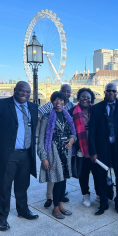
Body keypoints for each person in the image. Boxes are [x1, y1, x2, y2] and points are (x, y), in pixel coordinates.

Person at [0, 81, 39, 231]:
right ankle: (2, 218)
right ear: (15, 90)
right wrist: (1, 144)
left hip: (26, 153)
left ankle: (23, 210)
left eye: (28, 92)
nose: (25, 94)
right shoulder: (1, 105)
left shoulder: (33, 107)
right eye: (22, 91)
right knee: (5, 186)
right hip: (9, 154)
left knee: (23, 185)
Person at [88, 83, 118, 215]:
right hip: (102, 148)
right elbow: (92, 131)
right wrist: (93, 151)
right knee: (100, 175)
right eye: (109, 91)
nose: (111, 93)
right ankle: (103, 203)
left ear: (117, 93)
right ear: (104, 92)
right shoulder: (95, 108)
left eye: (114, 91)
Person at [38, 91, 76, 219]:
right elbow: (41, 139)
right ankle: (55, 208)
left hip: (66, 151)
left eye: (61, 100)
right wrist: (44, 157)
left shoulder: (67, 116)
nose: (58, 102)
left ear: (65, 102)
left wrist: (72, 140)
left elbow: (72, 133)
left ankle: (60, 205)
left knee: (63, 179)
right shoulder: (46, 117)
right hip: (54, 152)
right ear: (52, 101)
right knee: (57, 181)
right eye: (55, 100)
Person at [68, 88, 99, 207]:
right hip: (80, 148)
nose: (85, 99)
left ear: (91, 99)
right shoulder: (72, 112)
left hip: (95, 147)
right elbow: (70, 130)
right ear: (79, 98)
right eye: (83, 97)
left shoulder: (96, 110)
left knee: (97, 173)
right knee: (83, 174)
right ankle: (85, 194)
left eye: (88, 97)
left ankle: (99, 193)